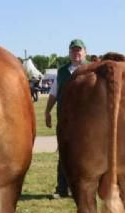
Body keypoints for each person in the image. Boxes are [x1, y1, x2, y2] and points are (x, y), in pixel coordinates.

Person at [44, 39, 89, 199]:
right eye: (73, 50)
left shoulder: (91, 69)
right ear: (69, 53)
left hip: (87, 123)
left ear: (85, 51)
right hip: (65, 121)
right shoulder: (62, 72)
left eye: (79, 50)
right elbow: (54, 93)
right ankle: (62, 188)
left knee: (85, 155)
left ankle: (81, 189)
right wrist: (47, 111)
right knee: (64, 154)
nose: (76, 53)